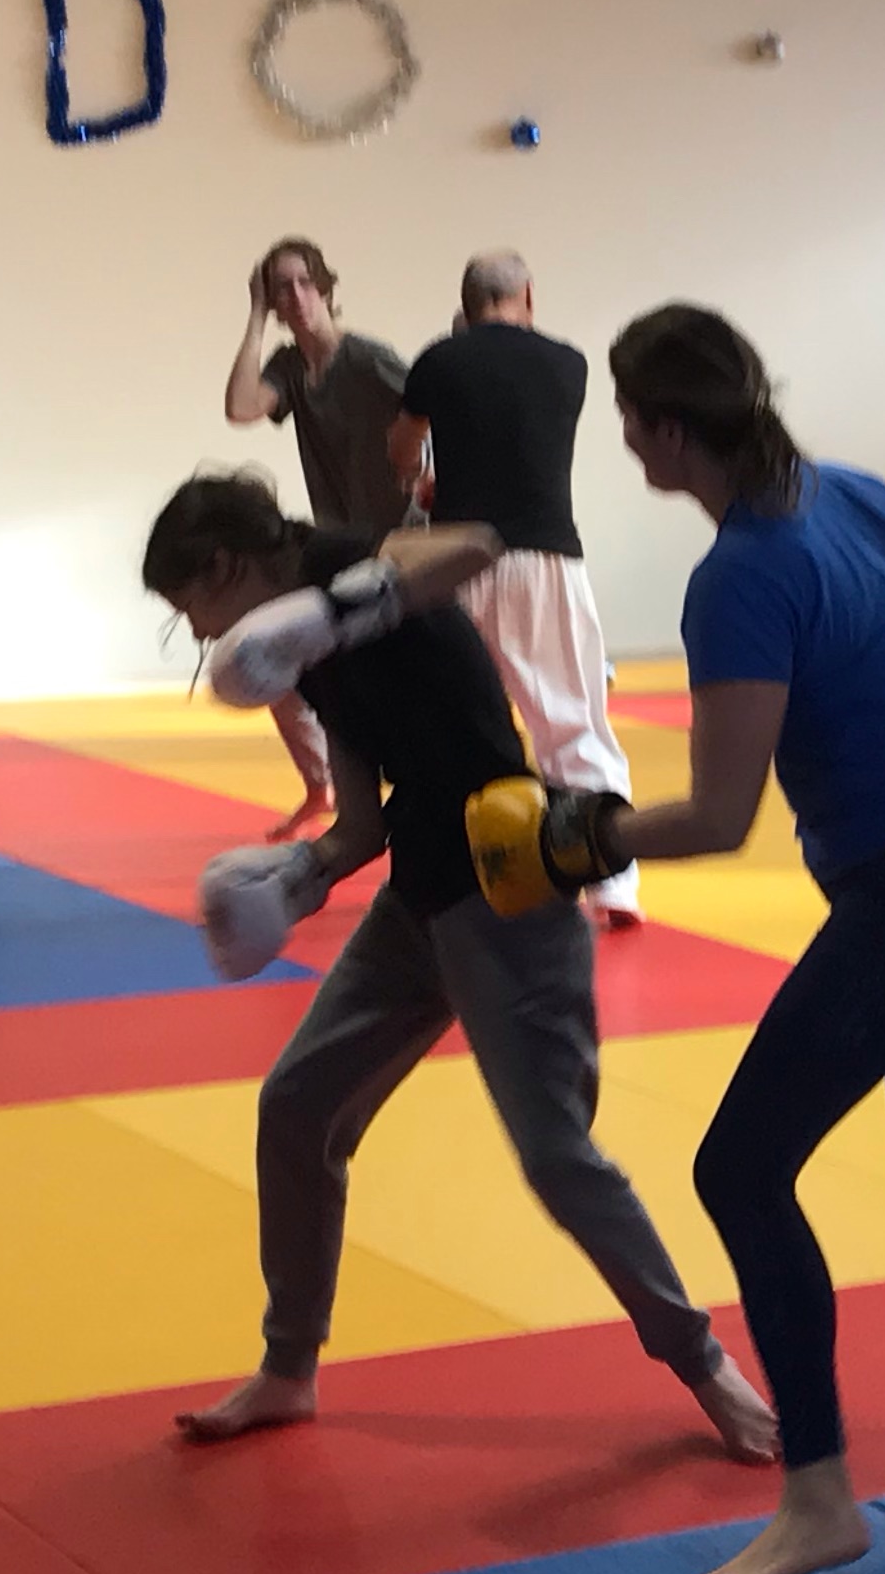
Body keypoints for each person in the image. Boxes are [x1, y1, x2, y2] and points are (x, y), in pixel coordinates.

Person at [469, 305, 885, 1574]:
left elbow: (719, 816)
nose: (621, 440)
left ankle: (819, 1499)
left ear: (667, 430)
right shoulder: (851, 492)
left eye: (628, 418)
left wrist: (577, 841)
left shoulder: (741, 577)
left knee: (741, 1170)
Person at [146, 470, 775, 1466]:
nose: (200, 635)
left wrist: (342, 608)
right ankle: (288, 1367)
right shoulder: (301, 652)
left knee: (555, 1155)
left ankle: (708, 1367)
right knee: (298, 1106)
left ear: (224, 566)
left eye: (192, 609)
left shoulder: (351, 567)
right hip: (422, 895)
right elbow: (361, 821)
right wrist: (296, 880)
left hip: (508, 889)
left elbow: (480, 544)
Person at [393, 250, 643, 923]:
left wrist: (423, 478)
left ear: (465, 301)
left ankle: (475, 872)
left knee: (464, 722)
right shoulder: (569, 364)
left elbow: (402, 450)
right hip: (547, 558)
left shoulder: (437, 362)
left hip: (458, 562)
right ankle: (612, 880)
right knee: (573, 721)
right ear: (528, 295)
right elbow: (523, 439)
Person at [223, 237, 407, 840]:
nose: (297, 297)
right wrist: (254, 316)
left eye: (306, 283)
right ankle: (319, 785)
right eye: (283, 289)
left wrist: (425, 469)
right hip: (339, 543)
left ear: (325, 288)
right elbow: (241, 407)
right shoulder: (289, 369)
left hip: (398, 541)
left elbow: (431, 406)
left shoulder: (366, 359)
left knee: (386, 676)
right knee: (271, 644)